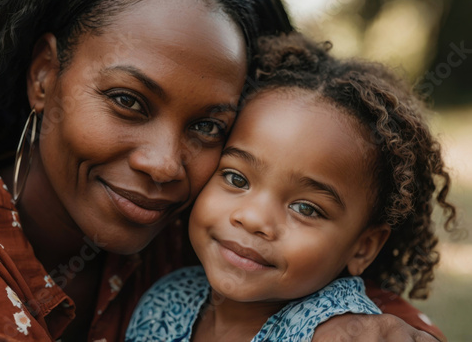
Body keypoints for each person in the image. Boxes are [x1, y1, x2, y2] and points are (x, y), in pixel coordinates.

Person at [0, 0, 448, 341]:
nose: (163, 164)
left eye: (207, 127)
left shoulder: (189, 231)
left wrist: (362, 324)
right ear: (43, 75)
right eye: (127, 100)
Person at [126, 33, 456, 342]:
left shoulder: (349, 334)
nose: (254, 219)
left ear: (363, 247)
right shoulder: (165, 300)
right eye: (236, 179)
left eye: (305, 208)